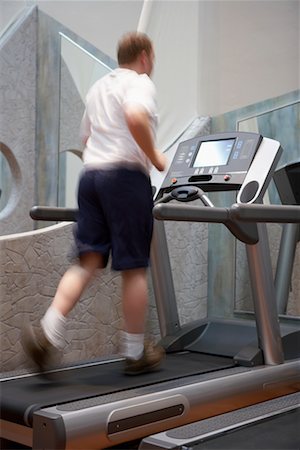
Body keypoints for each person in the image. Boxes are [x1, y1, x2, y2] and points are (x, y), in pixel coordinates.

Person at [22, 31, 167, 376]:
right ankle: (134, 352)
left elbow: (86, 139)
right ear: (145, 57)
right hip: (125, 177)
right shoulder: (140, 82)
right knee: (133, 266)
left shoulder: (98, 87)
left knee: (87, 260)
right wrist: (156, 158)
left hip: (91, 177)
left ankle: (48, 333)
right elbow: (135, 117)